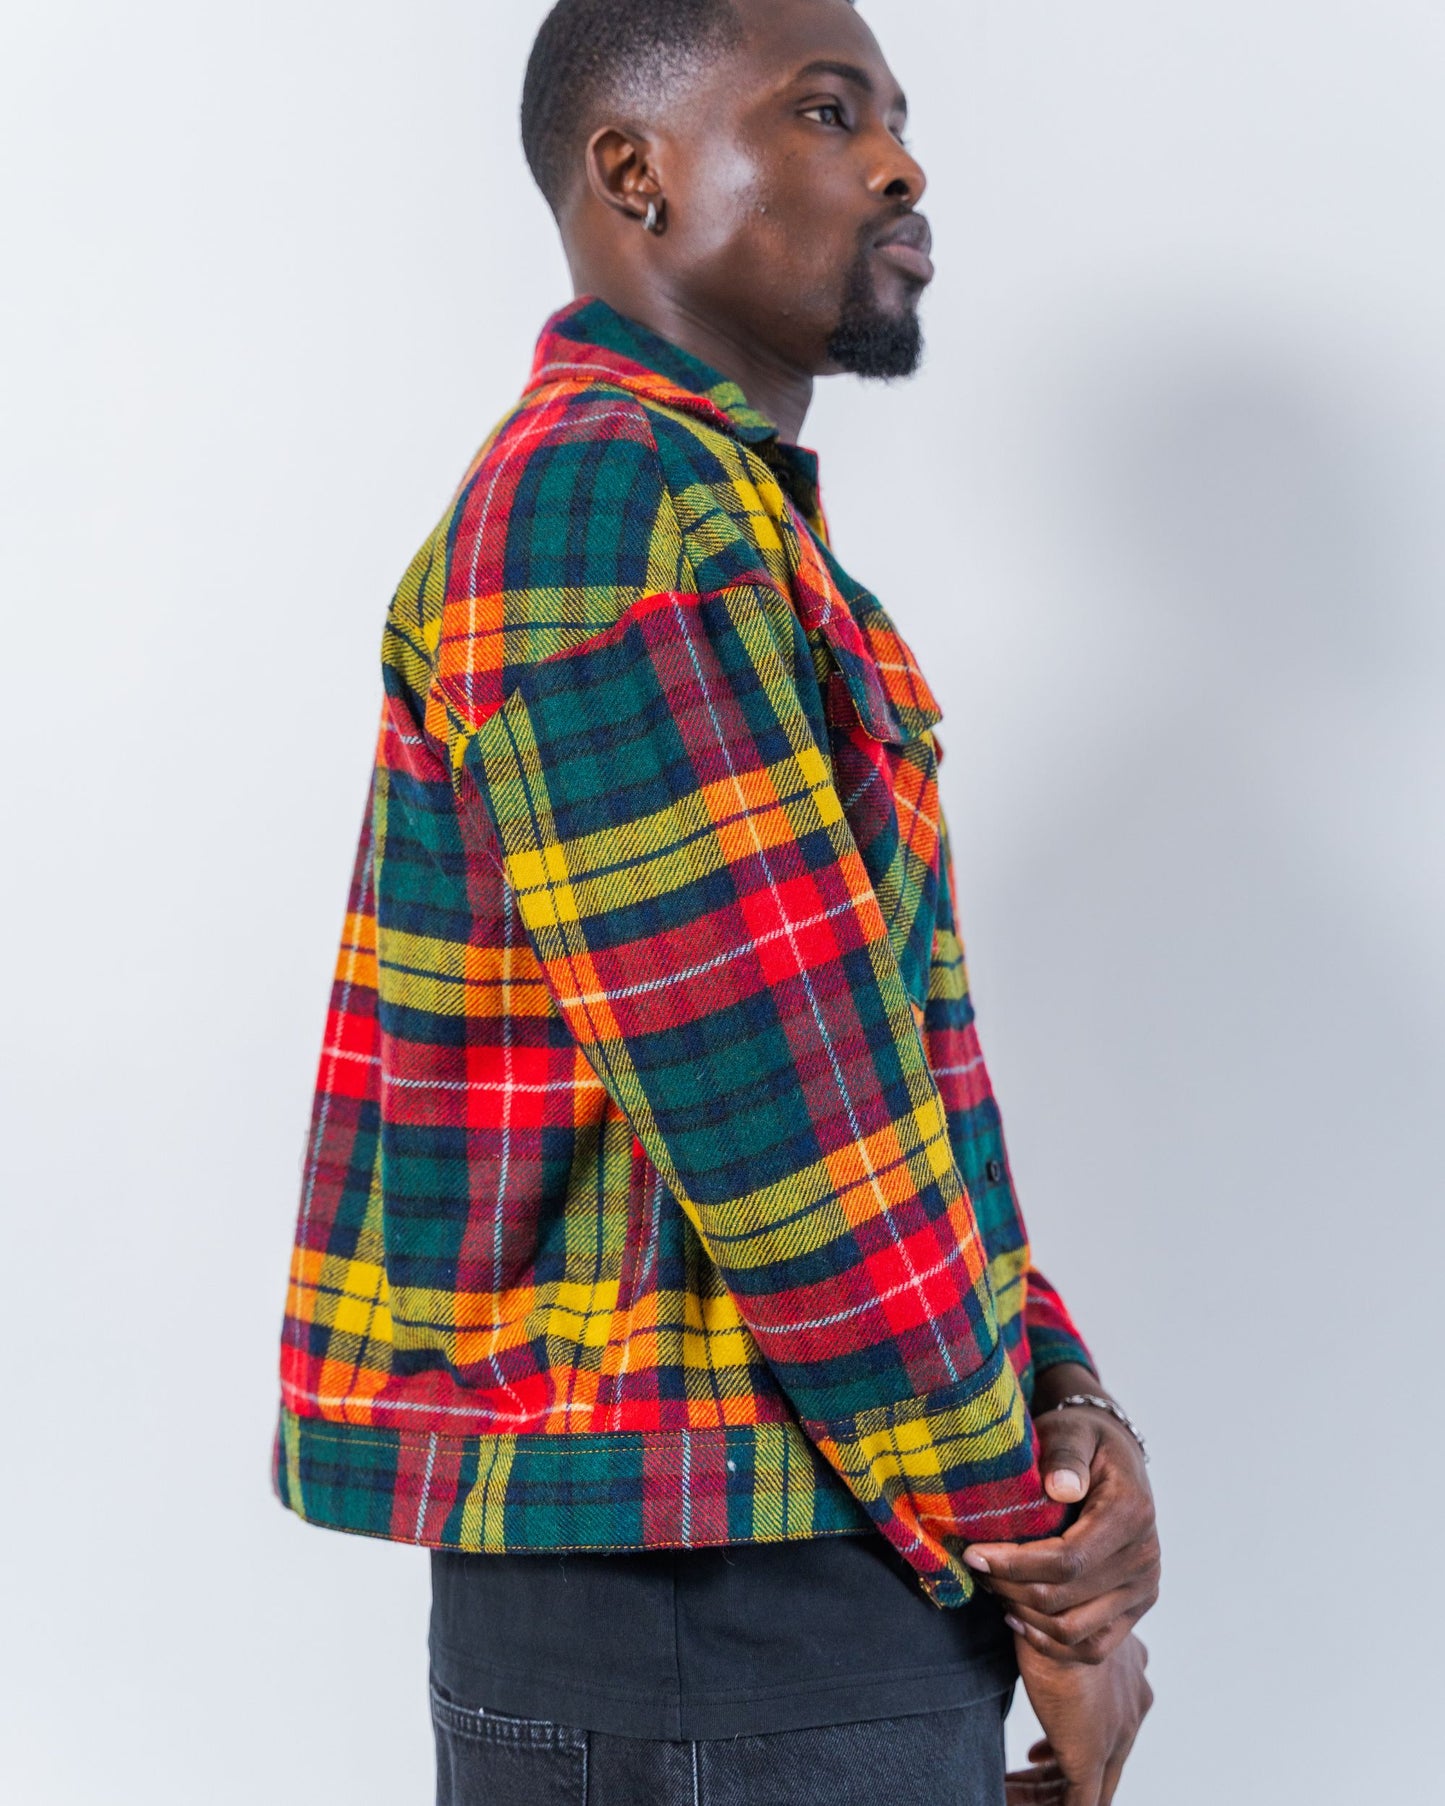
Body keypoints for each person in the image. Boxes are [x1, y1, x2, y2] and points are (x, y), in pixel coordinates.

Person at [271, 2, 1160, 1801]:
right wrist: (1044, 1581)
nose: (903, 162)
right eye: (830, 113)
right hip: (709, 1605)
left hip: (791, 1564)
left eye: (901, 119)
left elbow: (880, 1080)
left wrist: (1073, 1416)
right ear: (634, 174)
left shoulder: (716, 525)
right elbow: (789, 1131)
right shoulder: (610, 508)